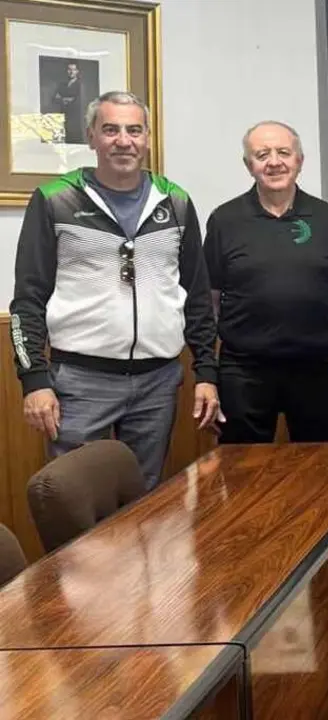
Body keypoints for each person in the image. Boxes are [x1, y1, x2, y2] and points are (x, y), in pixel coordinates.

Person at [9, 90, 220, 489]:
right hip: (79, 380)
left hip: (157, 381)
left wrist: (206, 371)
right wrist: (34, 379)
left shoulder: (174, 202)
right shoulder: (56, 199)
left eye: (134, 130)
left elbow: (196, 294)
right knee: (74, 499)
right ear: (91, 137)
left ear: (147, 138)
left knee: (144, 502)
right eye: (110, 130)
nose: (123, 140)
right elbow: (28, 298)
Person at [203, 120, 328, 444]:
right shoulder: (224, 220)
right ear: (248, 164)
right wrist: (207, 375)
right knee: (241, 471)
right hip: (244, 370)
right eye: (262, 154)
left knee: (323, 472)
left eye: (284, 152)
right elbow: (209, 302)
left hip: (320, 369)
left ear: (299, 160)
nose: (274, 162)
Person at [51, 62, 86, 144]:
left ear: (77, 71)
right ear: (67, 71)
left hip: (75, 118)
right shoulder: (62, 85)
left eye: (73, 70)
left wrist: (62, 98)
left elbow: (77, 101)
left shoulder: (79, 85)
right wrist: (66, 99)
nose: (71, 72)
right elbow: (54, 98)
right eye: (69, 69)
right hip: (63, 117)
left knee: (74, 141)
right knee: (62, 142)